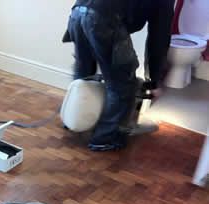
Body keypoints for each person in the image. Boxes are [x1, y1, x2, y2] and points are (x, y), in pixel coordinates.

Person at [63, 0, 175, 151]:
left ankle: (74, 119)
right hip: (103, 19)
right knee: (123, 85)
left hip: (78, 12)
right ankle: (105, 139)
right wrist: (154, 80)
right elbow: (159, 38)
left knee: (84, 71)